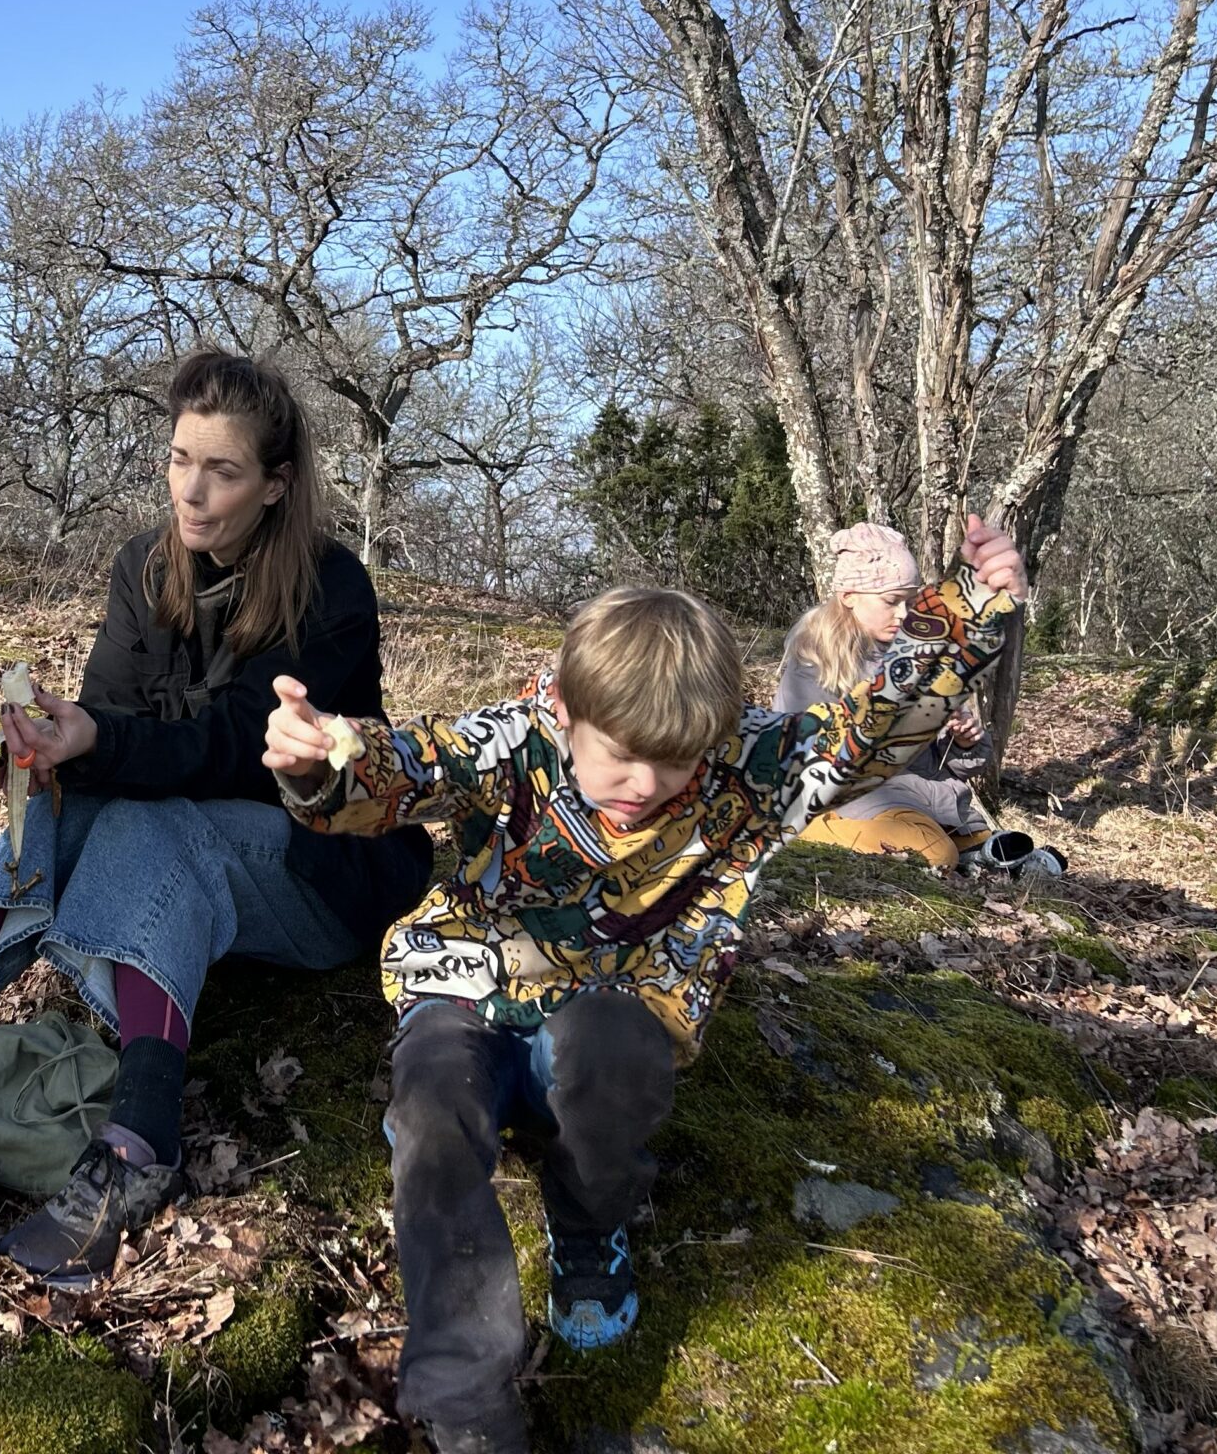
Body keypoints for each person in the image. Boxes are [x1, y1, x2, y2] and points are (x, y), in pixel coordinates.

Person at [262, 521, 1026, 1454]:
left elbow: (869, 732)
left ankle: (589, 1227)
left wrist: (976, 612)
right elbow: (412, 762)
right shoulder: (518, 741)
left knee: (608, 1051)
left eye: (674, 760)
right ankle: (464, 1396)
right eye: (617, 752)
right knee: (431, 1109)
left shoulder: (738, 766)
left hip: (622, 1006)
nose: (643, 782)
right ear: (569, 714)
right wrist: (322, 758)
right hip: (471, 986)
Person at [0, 349, 435, 1289]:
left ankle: (139, 1146)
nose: (194, 491)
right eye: (181, 460)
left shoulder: (331, 589)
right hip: (190, 861)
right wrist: (53, 750)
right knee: (58, 807)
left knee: (152, 823)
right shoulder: (144, 567)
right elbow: (114, 722)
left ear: (276, 484)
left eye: (223, 470)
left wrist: (103, 740)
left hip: (318, 873)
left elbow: (236, 752)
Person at [774, 521, 1064, 877]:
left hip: (926, 801)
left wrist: (962, 742)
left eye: (911, 601)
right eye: (891, 601)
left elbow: (947, 762)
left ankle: (977, 857)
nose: (903, 614)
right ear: (849, 596)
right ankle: (806, 834)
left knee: (1003, 853)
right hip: (855, 804)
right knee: (935, 854)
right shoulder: (814, 666)